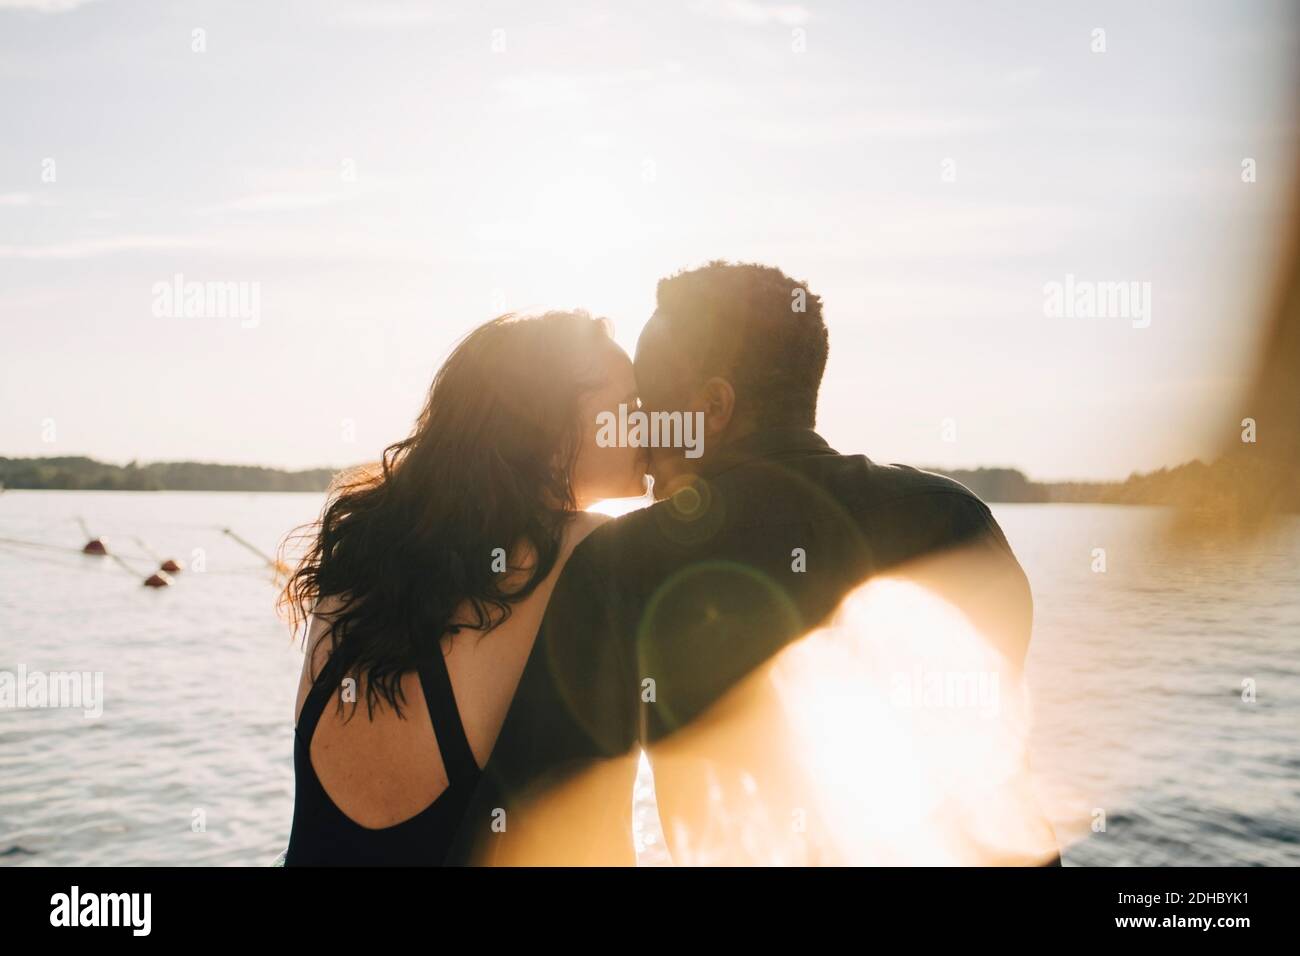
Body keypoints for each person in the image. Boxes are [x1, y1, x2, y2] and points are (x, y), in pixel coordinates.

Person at [449, 261, 1057, 865]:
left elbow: (544, 838)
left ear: (713, 406)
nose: (639, 440)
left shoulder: (621, 564)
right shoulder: (954, 520)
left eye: (652, 411)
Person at [281, 311, 646, 865]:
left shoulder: (363, 546)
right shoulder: (592, 552)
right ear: (553, 422)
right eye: (633, 407)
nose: (651, 424)